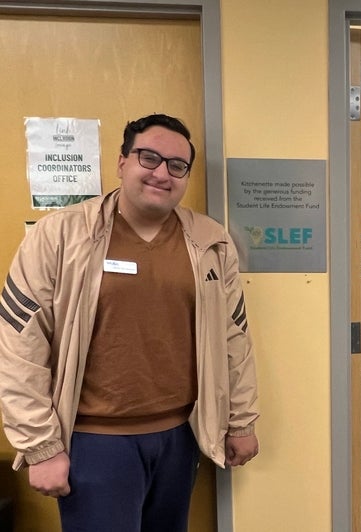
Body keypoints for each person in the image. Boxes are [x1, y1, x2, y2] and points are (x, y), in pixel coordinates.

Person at [0, 114, 260, 531]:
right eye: (149, 158)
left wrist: (241, 422)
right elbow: (19, 345)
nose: (162, 173)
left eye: (177, 166)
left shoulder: (210, 242)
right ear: (122, 162)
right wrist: (41, 447)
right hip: (94, 443)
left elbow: (234, 338)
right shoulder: (59, 236)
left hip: (181, 436)